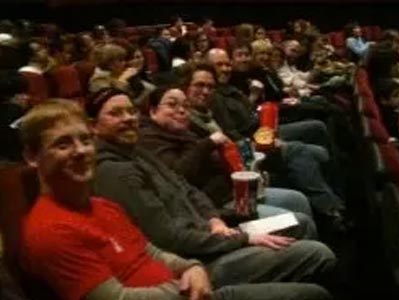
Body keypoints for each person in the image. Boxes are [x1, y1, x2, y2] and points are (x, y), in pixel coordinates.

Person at [19, 99, 331, 300]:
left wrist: (191, 265)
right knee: (313, 283)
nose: (81, 151)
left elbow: (152, 248)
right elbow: (118, 296)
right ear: (32, 157)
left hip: (193, 270)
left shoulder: (103, 202)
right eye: (63, 144)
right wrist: (198, 273)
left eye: (84, 141)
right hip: (189, 288)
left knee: (312, 256)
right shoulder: (51, 230)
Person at [138, 85, 316, 226]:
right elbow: (177, 174)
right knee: (299, 221)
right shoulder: (149, 138)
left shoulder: (185, 133)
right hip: (215, 208)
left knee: (297, 199)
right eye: (171, 104)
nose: (182, 110)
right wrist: (208, 144)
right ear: (153, 111)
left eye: (185, 105)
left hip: (235, 192)